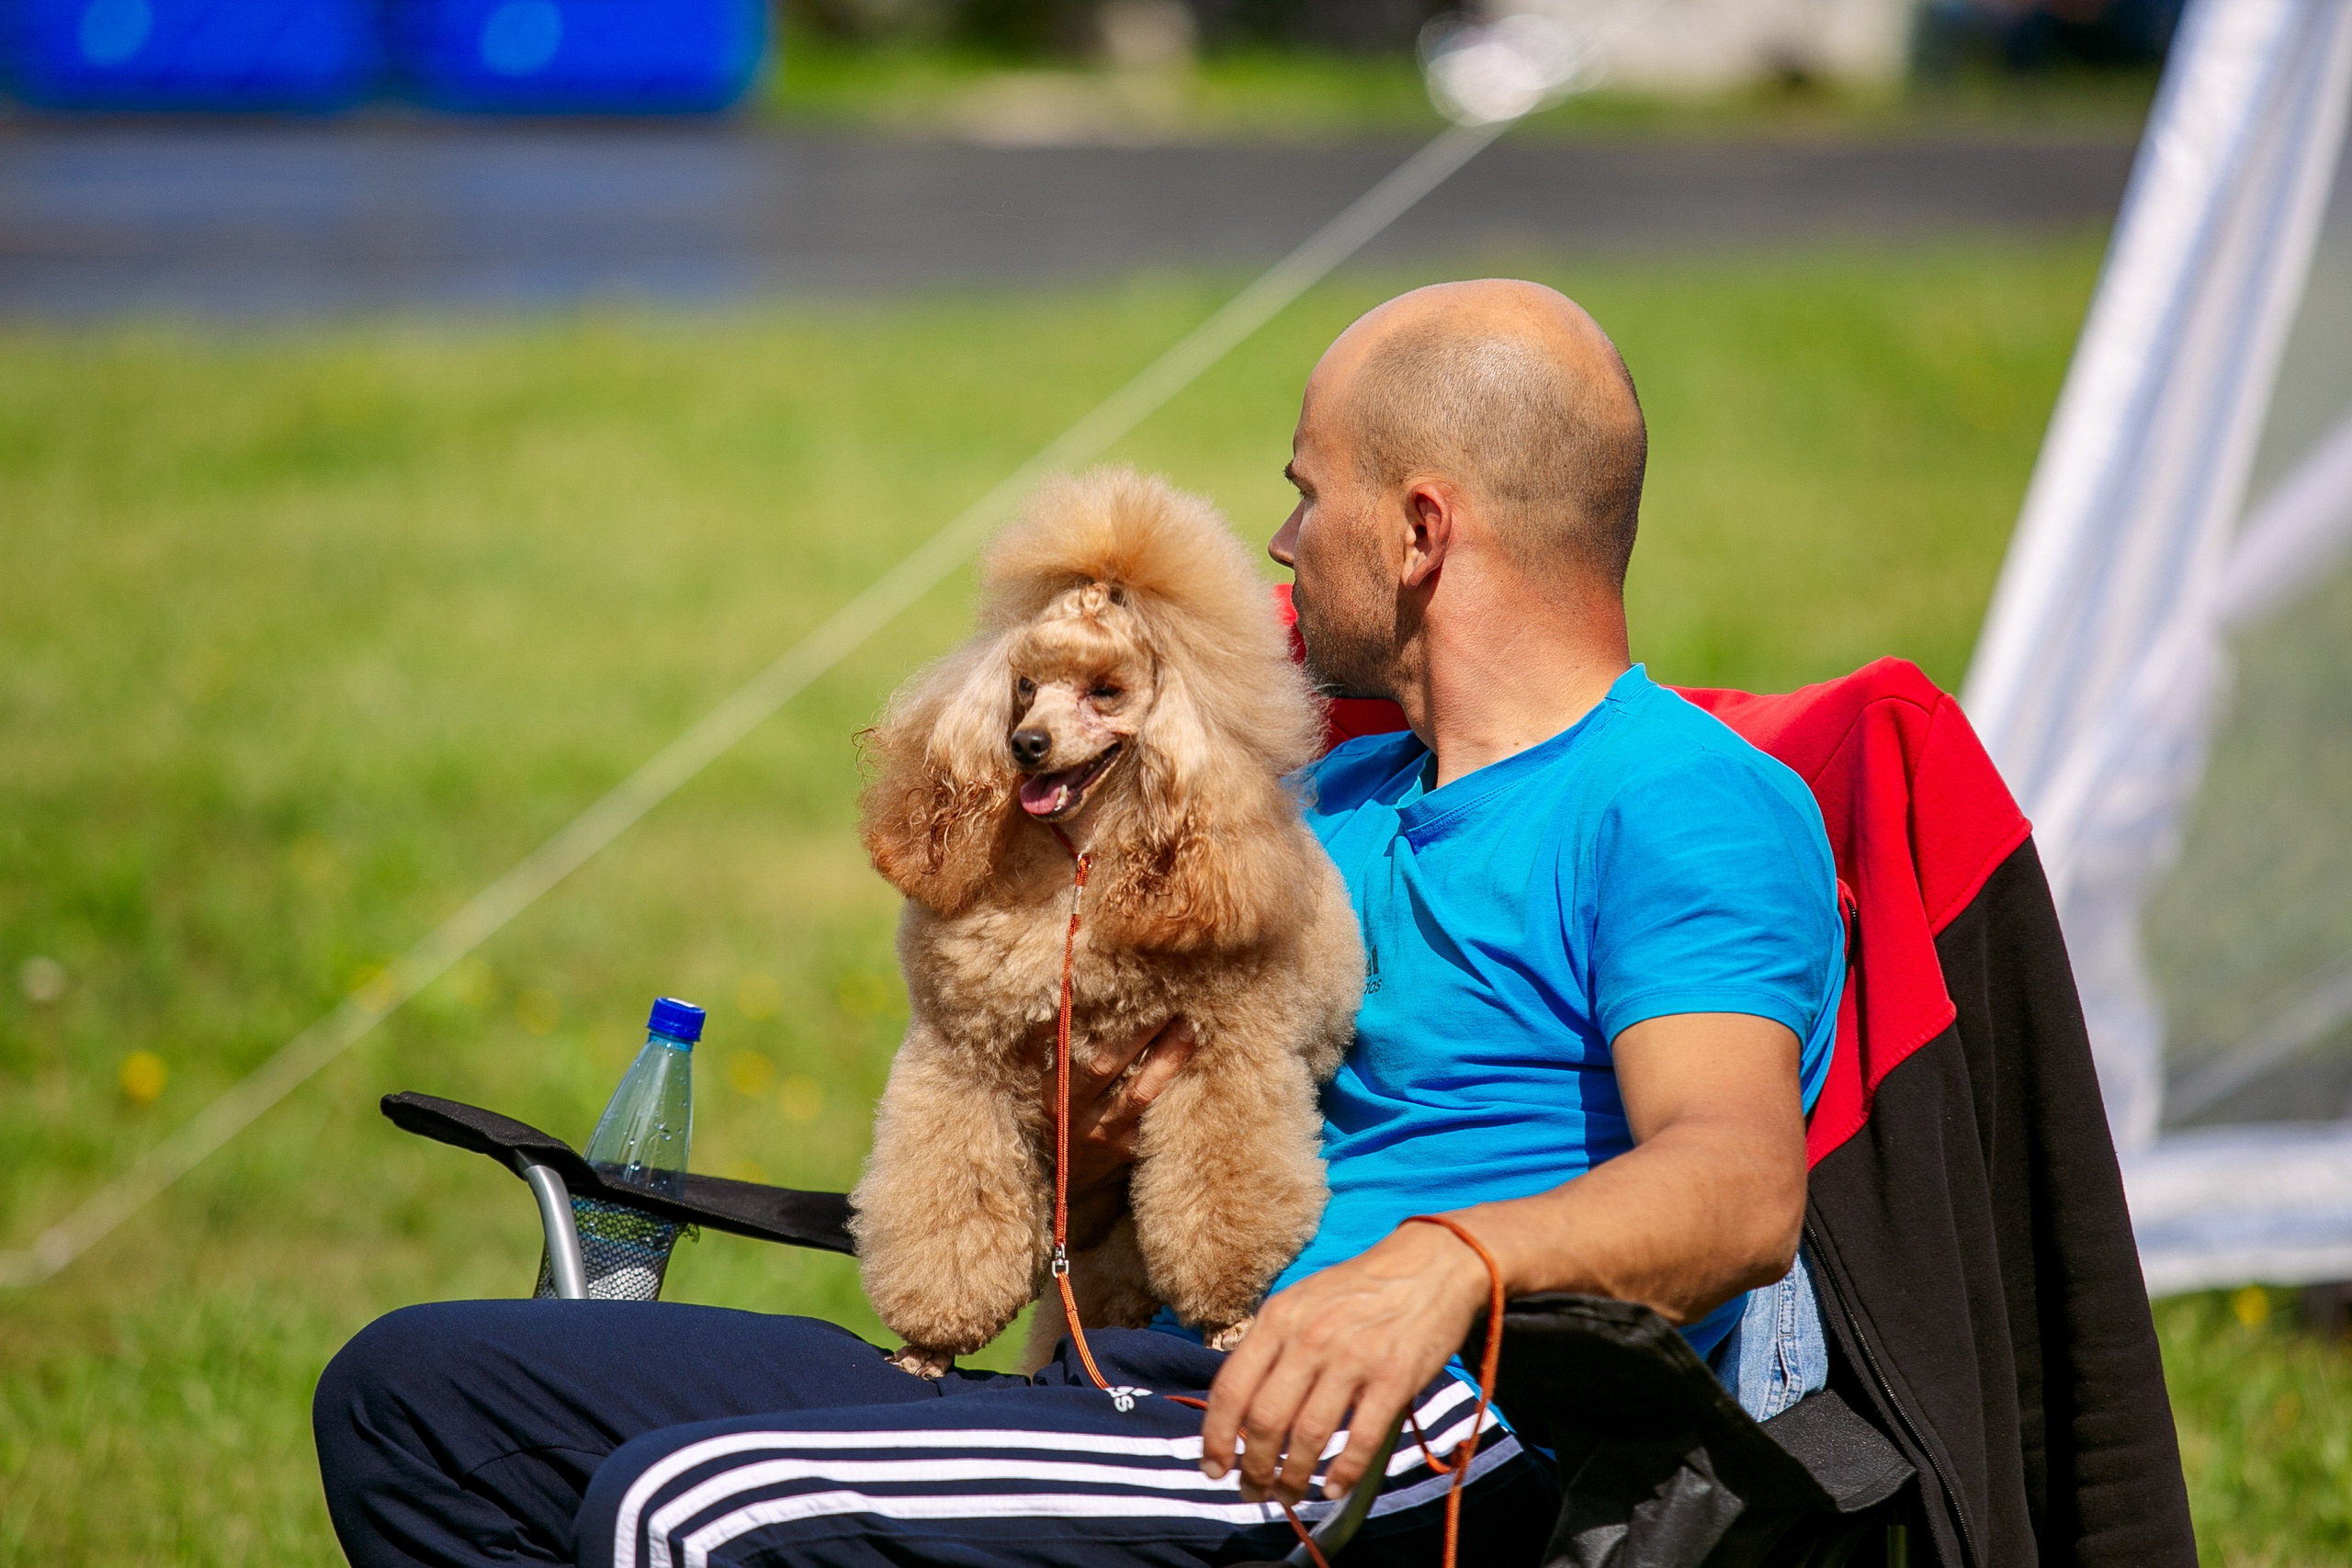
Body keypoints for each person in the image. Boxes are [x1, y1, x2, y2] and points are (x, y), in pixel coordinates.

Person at [312, 280, 1842, 1568]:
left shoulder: (1684, 799)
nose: (1282, 543)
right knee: (420, 1396)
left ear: (1423, 528)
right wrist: (1087, 1150)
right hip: (1138, 1379)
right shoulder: (1314, 797)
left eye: (1309, 494)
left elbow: (1735, 1188)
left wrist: (1441, 1266)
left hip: (1397, 1434)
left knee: (693, 1514)